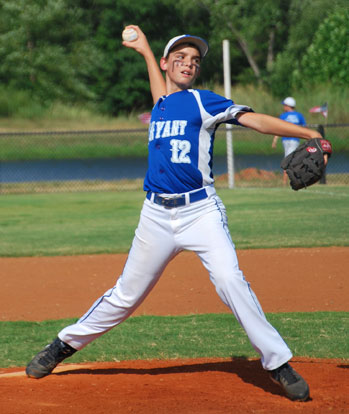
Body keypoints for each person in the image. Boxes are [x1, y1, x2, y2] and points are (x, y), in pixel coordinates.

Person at [26, 27, 326, 402]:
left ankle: (278, 363)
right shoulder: (162, 104)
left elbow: (255, 120)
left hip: (201, 211)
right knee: (125, 295)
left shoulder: (203, 101)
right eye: (180, 58)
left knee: (230, 280)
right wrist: (145, 51)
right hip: (155, 216)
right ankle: (62, 346)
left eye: (195, 60)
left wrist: (306, 131)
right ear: (168, 64)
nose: (189, 64)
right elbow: (159, 89)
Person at [272, 97, 307, 185]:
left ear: (288, 106)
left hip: (289, 140)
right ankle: (292, 180)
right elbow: (305, 128)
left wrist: (275, 140)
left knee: (288, 159)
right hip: (293, 139)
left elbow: (278, 129)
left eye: (285, 105)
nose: (284, 106)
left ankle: (285, 181)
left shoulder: (284, 116)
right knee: (290, 158)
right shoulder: (299, 115)